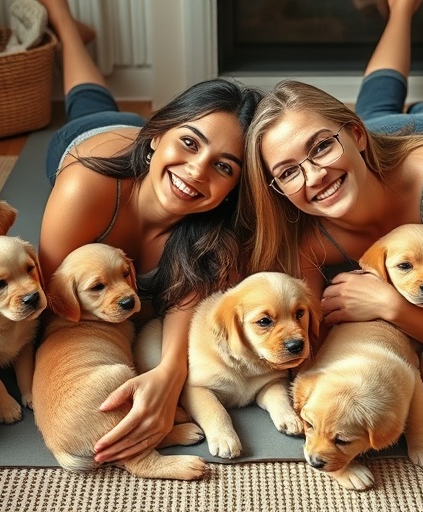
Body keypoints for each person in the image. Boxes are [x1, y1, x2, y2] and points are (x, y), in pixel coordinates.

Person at [38, 0, 262, 464]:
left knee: (98, 100)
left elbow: (188, 301)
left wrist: (168, 377)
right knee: (90, 104)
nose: (197, 172)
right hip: (97, 144)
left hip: (147, 157)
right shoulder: (85, 185)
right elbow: (53, 305)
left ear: (233, 187)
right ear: (160, 133)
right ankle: (62, 19)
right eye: (189, 141)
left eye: (223, 166)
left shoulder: (214, 232)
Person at [240, 0, 423, 349]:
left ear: (355, 136)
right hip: (372, 138)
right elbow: (310, 335)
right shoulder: (305, 233)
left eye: (320, 147)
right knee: (377, 108)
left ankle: (420, 99)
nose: (315, 176)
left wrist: (390, 305)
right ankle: (401, 9)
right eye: (289, 171)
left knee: (394, 113)